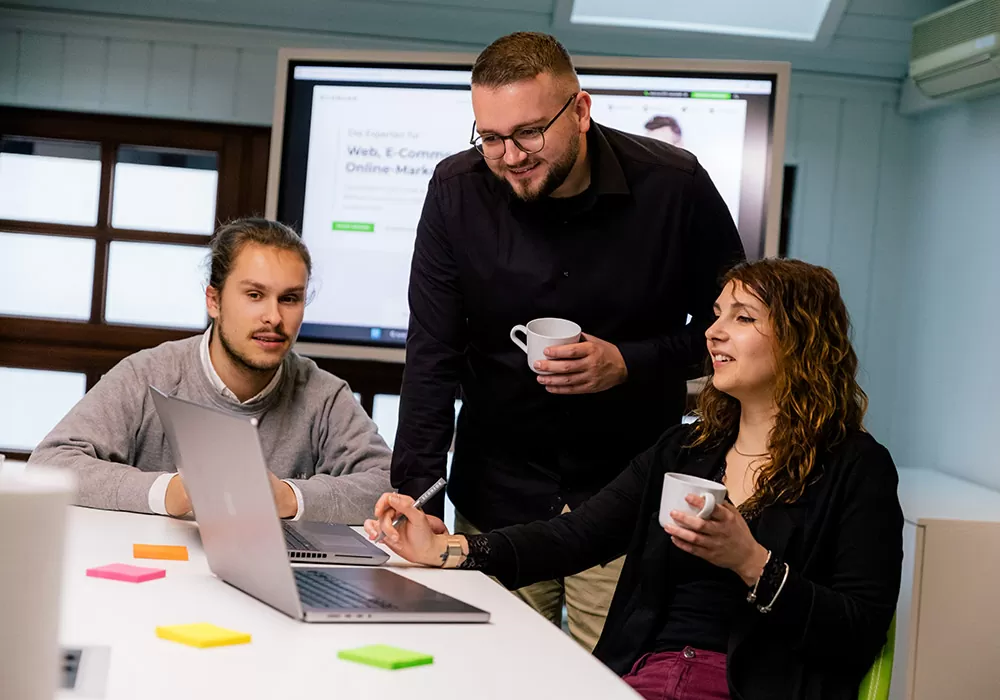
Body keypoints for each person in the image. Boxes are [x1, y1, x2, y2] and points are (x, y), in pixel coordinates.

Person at [369, 258, 903, 700]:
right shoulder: (685, 450)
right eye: (716, 315)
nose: (713, 332)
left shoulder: (858, 468)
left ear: (802, 340)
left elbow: (858, 631)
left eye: (742, 318)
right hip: (638, 679)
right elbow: (572, 536)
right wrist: (449, 550)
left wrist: (751, 562)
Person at [391, 31, 745, 650]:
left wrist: (628, 364)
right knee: (487, 676)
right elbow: (432, 354)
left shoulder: (674, 186)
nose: (510, 156)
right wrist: (418, 495)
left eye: (529, 133)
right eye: (491, 137)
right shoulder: (456, 189)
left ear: (580, 110)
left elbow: (729, 332)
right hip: (496, 494)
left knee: (605, 680)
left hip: (623, 500)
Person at [30, 218, 391, 524]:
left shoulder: (324, 395)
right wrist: (170, 492)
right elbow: (50, 463)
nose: (274, 318)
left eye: (290, 298)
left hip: (274, 589)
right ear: (214, 301)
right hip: (151, 575)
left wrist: (287, 497)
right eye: (254, 295)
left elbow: (387, 484)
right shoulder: (148, 373)